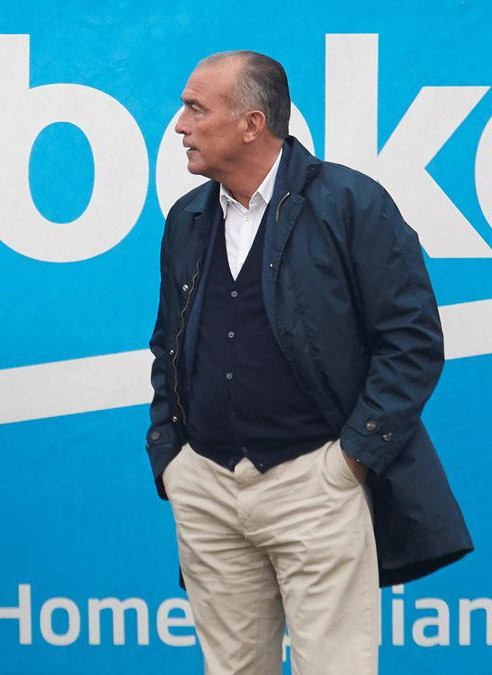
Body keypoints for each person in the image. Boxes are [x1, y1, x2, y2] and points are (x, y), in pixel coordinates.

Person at [146, 50, 472, 674]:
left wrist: (350, 461)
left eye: (195, 108)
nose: (180, 126)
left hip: (318, 484)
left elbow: (413, 340)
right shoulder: (186, 220)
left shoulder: (350, 203)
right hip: (208, 488)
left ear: (252, 122)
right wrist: (173, 460)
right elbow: (169, 347)